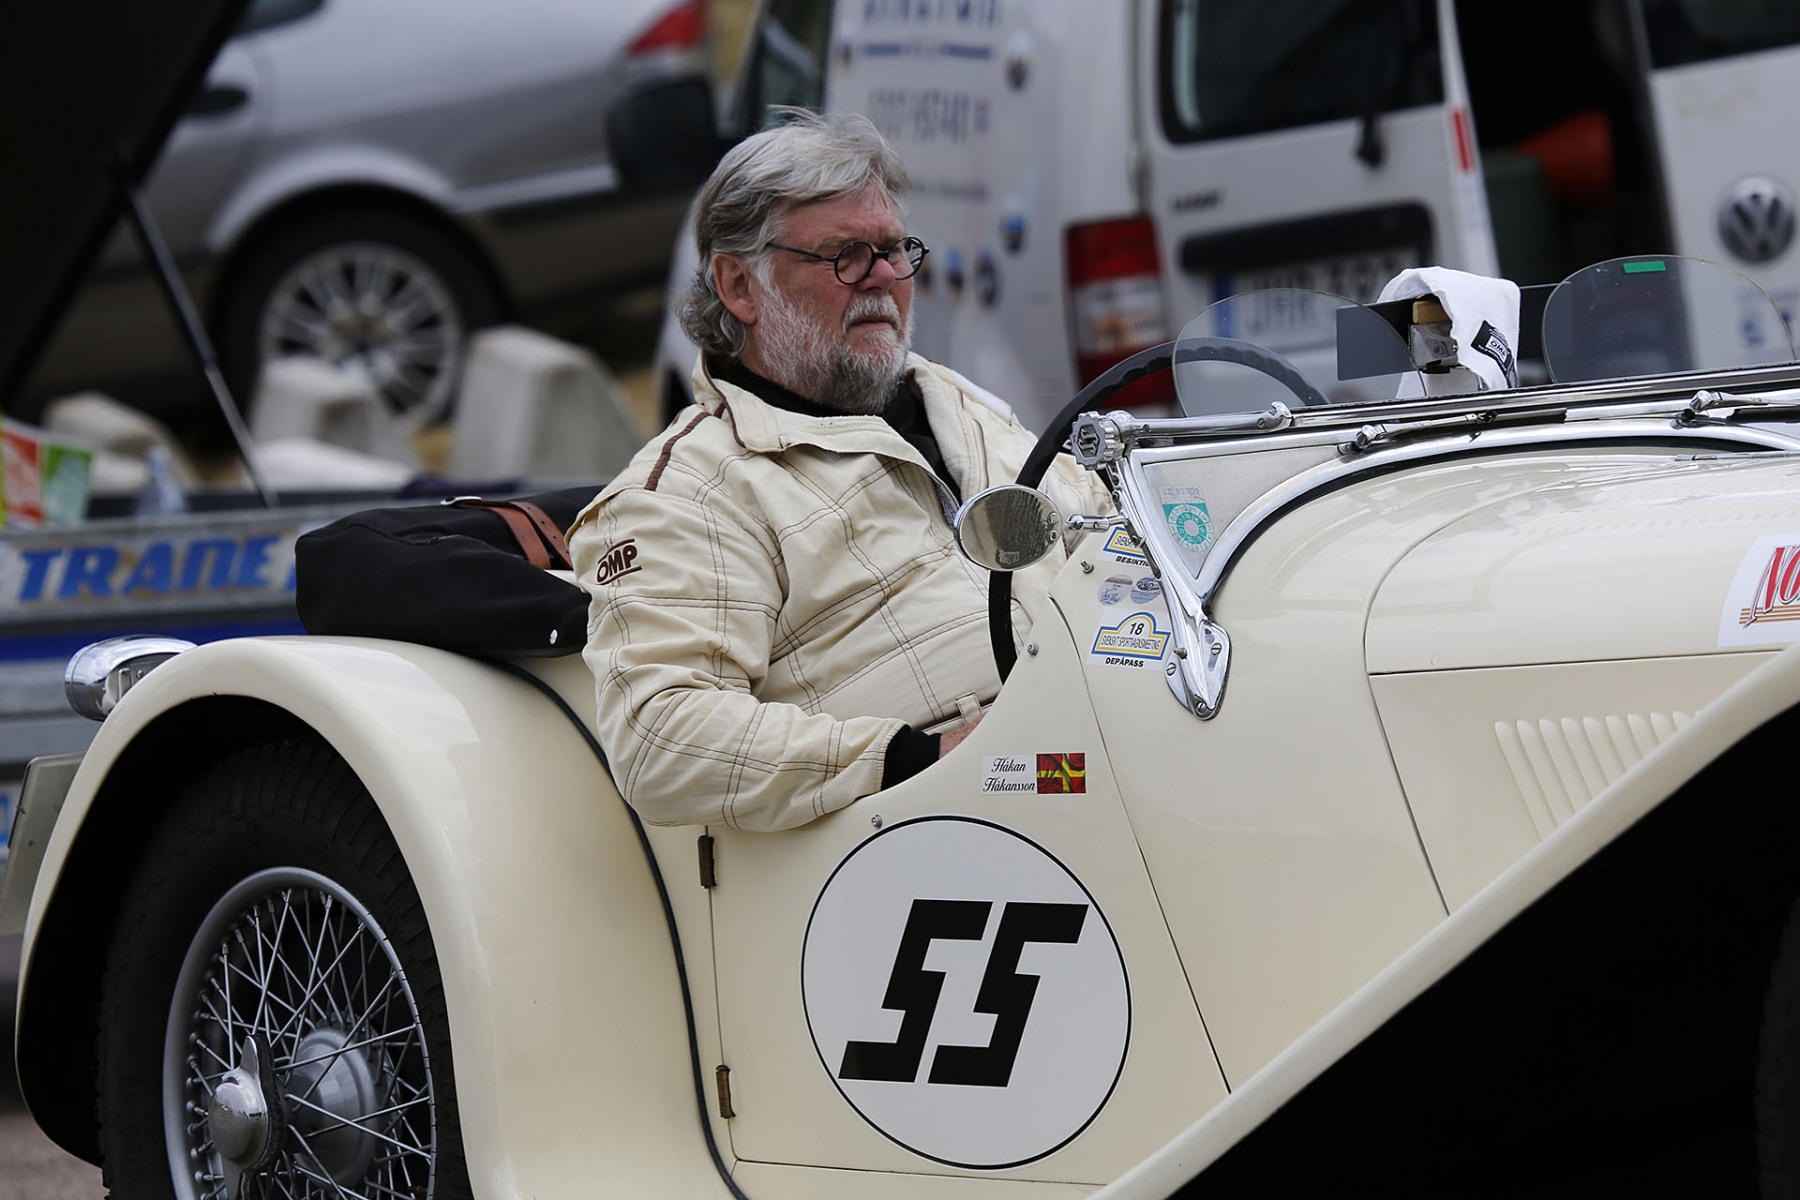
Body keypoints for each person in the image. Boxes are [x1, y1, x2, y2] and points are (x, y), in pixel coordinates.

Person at [569, 109, 1107, 832]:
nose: (883, 276)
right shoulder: (690, 491)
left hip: (1101, 750)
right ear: (739, 286)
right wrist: (923, 757)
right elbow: (661, 740)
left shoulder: (955, 399)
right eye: (845, 256)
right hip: (956, 821)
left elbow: (1103, 528)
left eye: (894, 249)